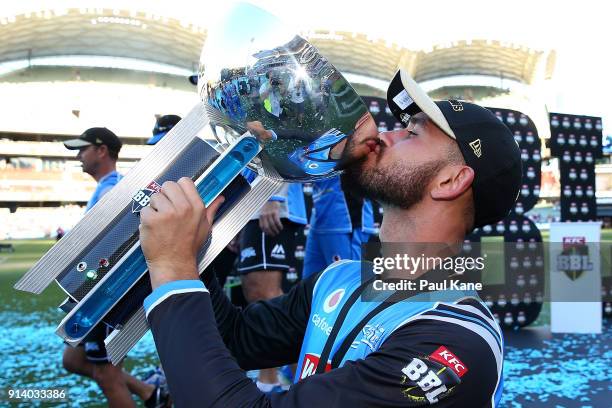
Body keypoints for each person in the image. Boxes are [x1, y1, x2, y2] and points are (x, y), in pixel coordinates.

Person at [138, 69, 520, 407]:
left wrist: (173, 266)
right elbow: (235, 339)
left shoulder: (456, 343)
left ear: (451, 181)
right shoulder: (338, 279)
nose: (383, 136)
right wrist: (190, 249)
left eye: (411, 132)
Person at [62, 127, 169, 408]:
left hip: (106, 292)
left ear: (101, 151)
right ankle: (150, 393)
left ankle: (151, 395)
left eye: (82, 149)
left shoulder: (113, 189)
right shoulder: (107, 186)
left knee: (106, 374)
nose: (79, 156)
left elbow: (112, 246)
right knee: (73, 360)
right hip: (100, 290)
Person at [237, 172, 307, 392]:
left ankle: (276, 380)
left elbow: (280, 142)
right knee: (257, 295)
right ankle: (282, 378)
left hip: (269, 199)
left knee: (265, 295)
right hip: (252, 204)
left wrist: (273, 196)